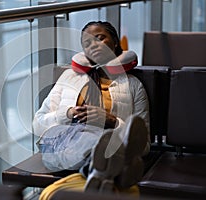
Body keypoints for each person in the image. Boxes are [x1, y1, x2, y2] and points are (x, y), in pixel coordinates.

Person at [33, 21, 150, 198]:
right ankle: (115, 165)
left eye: (100, 38)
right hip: (59, 141)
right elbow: (38, 124)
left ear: (115, 42)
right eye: (87, 43)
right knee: (97, 140)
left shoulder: (133, 85)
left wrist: (112, 121)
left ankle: (98, 171)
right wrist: (68, 114)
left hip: (107, 137)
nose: (93, 45)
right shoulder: (69, 77)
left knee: (104, 138)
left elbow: (145, 144)